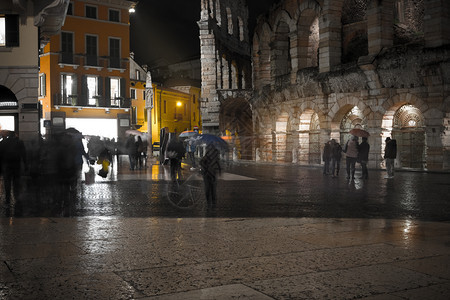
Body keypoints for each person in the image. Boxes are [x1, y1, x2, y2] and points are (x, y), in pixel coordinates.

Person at [0, 131, 27, 204]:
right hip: (16, 165)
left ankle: (7, 198)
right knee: (16, 182)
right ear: (15, 135)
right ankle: (16, 197)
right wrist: (25, 165)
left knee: (7, 182)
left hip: (6, 165)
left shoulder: (3, 142)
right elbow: (24, 155)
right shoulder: (19, 142)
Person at [200, 144, 221, 210]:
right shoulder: (209, 156)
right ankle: (212, 203)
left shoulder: (209, 156)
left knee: (209, 189)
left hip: (208, 174)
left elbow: (201, 163)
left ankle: (210, 203)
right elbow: (202, 163)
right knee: (212, 189)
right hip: (210, 174)